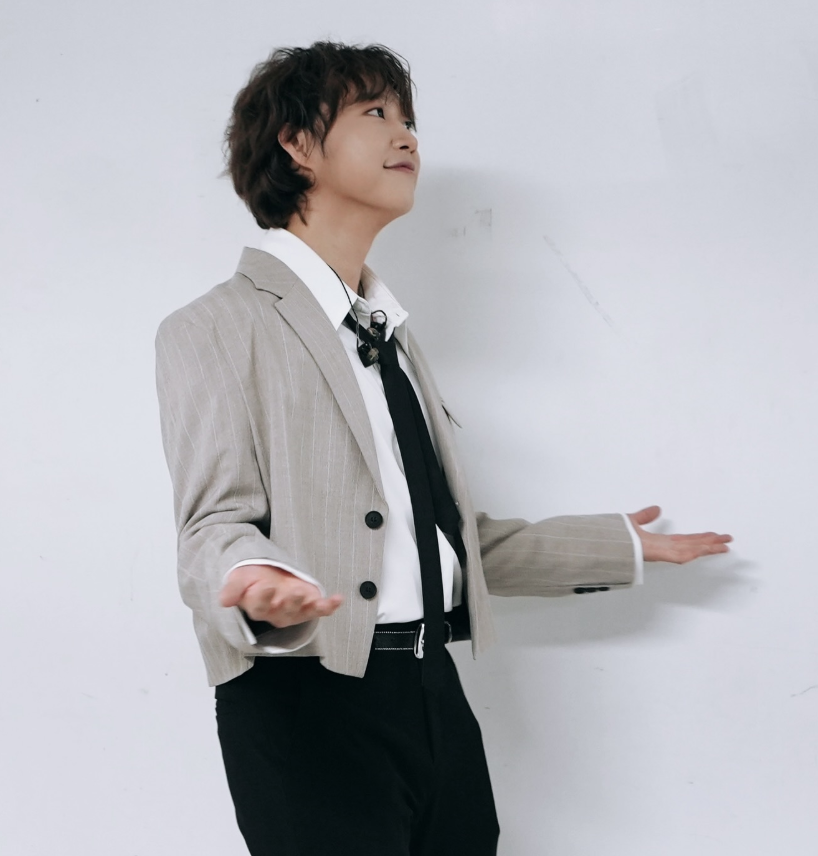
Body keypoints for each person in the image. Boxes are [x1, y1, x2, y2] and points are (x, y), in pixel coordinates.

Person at [155, 41, 732, 856]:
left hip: (432, 692)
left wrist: (619, 547)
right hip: (304, 698)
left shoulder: (388, 336)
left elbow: (434, 541)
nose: (408, 136)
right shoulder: (216, 326)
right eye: (375, 112)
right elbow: (210, 525)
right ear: (296, 143)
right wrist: (251, 578)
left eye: (409, 118)